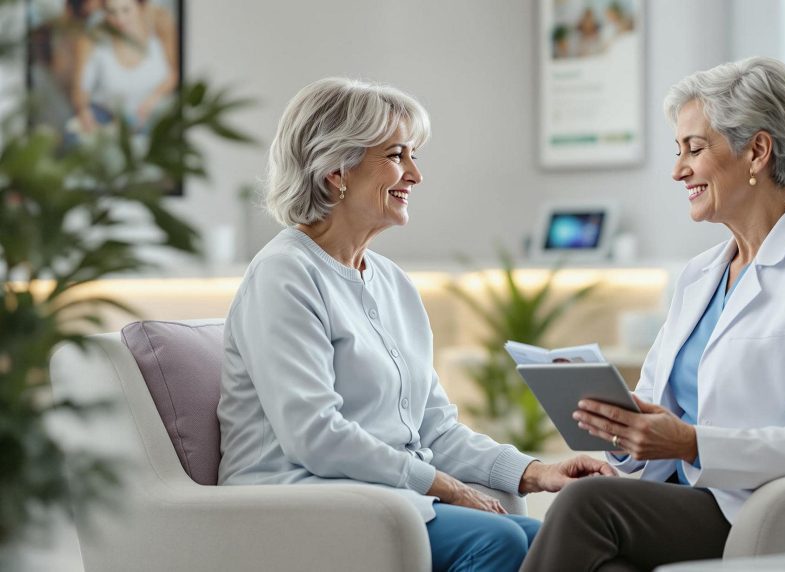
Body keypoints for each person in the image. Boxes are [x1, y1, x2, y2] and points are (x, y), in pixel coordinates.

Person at [217, 77, 616, 572]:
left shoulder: (392, 283)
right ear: (336, 170)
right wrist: (440, 483)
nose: (415, 175)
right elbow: (314, 434)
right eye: (397, 155)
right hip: (300, 499)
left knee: (559, 543)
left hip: (383, 499)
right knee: (498, 543)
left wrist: (535, 472)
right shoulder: (284, 274)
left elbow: (434, 427)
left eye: (413, 156)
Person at [521, 57, 785, 571]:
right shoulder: (700, 275)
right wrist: (621, 429)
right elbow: (656, 404)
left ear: (758, 151)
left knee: (586, 509)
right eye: (679, 151)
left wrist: (691, 442)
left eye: (694, 149)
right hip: (701, 499)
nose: (678, 170)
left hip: (781, 510)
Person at [71, 0, 178, 134]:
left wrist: (151, 102)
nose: (120, 19)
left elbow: (174, 74)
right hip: (108, 120)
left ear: (140, 7)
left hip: (155, 119)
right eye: (112, 12)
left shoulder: (160, 27)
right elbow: (81, 88)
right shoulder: (95, 41)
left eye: (126, 10)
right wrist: (84, 111)